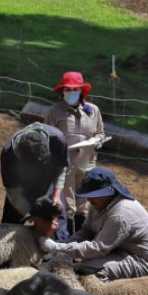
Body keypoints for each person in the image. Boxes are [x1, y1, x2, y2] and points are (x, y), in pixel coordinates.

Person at [39, 167, 148, 281]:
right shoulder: (98, 204)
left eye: (93, 195)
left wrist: (56, 247)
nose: (89, 200)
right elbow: (86, 232)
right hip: (116, 250)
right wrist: (62, 246)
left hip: (140, 261)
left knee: (88, 271)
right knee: (79, 264)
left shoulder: (120, 215)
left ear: (108, 192)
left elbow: (97, 248)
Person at [46, 71, 106, 234]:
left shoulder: (93, 111)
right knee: (67, 204)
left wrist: (98, 142)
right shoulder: (54, 111)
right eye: (67, 89)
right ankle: (66, 240)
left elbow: (100, 133)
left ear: (81, 91)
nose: (71, 93)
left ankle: (81, 238)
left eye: (75, 89)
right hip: (65, 164)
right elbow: (48, 136)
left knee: (85, 203)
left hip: (87, 163)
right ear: (62, 91)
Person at [0, 122, 70, 241]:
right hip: (21, 191)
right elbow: (14, 193)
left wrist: (57, 194)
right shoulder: (8, 154)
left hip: (49, 186)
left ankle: (56, 257)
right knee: (7, 232)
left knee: (59, 230)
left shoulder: (57, 139)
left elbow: (61, 168)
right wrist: (36, 218)